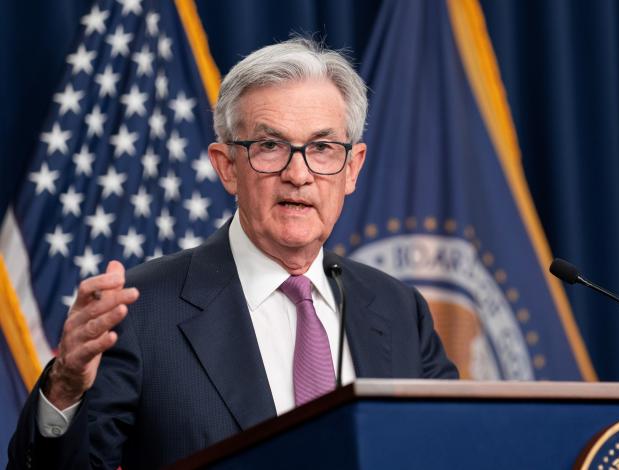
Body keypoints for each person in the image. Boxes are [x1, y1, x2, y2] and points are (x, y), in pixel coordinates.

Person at [8, 38, 458, 469]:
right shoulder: (141, 313)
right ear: (226, 167)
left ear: (352, 167)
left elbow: (452, 450)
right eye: (270, 146)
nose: (297, 174)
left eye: (321, 148)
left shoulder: (399, 309)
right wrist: (65, 387)